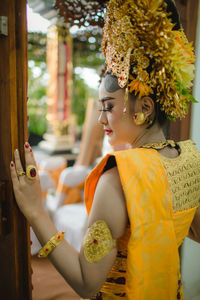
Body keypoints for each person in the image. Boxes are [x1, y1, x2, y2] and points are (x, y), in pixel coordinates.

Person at [10, 0, 200, 299]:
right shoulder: (190, 159)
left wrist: (36, 210)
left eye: (108, 107)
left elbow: (87, 283)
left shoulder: (119, 179)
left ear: (145, 108)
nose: (100, 119)